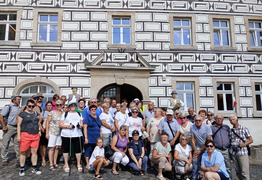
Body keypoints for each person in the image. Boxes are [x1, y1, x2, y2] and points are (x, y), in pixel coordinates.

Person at [17, 99, 43, 176]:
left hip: (35, 135)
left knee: (34, 152)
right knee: (23, 152)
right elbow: (18, 125)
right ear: (26, 106)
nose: (31, 107)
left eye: (32, 106)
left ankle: (34, 167)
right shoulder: (22, 114)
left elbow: (38, 122)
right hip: (25, 135)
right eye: (29, 106)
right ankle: (22, 168)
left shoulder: (36, 113)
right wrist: (18, 135)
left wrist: (39, 130)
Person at [59, 101, 83, 172]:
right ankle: (66, 163)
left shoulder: (79, 113)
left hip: (77, 134)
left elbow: (82, 124)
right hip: (66, 134)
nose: (73, 106)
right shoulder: (65, 114)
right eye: (71, 105)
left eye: (74, 105)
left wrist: (80, 126)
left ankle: (78, 164)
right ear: (69, 106)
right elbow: (61, 125)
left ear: (76, 106)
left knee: (78, 149)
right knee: (66, 149)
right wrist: (68, 126)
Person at [229, 115, 253, 180]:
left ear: (237, 120)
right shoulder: (230, 131)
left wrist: (244, 144)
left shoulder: (244, 129)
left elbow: (251, 140)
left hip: (242, 153)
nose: (232, 121)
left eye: (233, 119)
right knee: (237, 172)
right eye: (230, 120)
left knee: (244, 172)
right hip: (234, 153)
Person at [0, 95, 21, 166]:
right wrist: (4, 126)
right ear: (13, 100)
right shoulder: (8, 107)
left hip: (17, 128)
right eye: (18, 99)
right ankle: (4, 159)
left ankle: (19, 158)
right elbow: (1, 116)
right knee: (5, 144)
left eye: (20, 99)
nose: (19, 100)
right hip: (9, 127)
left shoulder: (19, 108)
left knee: (17, 144)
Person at [190, 116, 212, 180]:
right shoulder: (192, 127)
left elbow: (208, 140)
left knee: (206, 162)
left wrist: (201, 150)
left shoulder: (207, 127)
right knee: (195, 160)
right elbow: (192, 140)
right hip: (198, 146)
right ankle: (194, 177)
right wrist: (195, 150)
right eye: (196, 120)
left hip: (208, 147)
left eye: (199, 120)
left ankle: (205, 177)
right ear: (194, 121)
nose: (198, 122)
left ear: (202, 121)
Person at [46, 100, 63, 171]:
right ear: (55, 106)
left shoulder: (64, 113)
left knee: (57, 148)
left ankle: (55, 162)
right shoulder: (52, 112)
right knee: (51, 148)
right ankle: (51, 164)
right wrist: (47, 132)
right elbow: (47, 122)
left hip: (60, 133)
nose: (59, 106)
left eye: (60, 105)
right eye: (57, 105)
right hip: (52, 132)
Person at [83, 104, 102, 170]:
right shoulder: (87, 117)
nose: (93, 110)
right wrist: (86, 138)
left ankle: (95, 164)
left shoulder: (97, 117)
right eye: (92, 109)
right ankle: (87, 164)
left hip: (97, 137)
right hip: (90, 137)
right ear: (90, 110)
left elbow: (100, 128)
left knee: (96, 151)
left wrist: (101, 137)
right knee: (88, 150)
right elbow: (85, 127)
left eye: (95, 109)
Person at [40, 101, 53, 167]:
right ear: (46, 106)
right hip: (44, 131)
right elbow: (39, 122)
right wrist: (41, 128)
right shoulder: (43, 113)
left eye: (50, 105)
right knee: (44, 146)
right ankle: (43, 159)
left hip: (52, 131)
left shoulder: (54, 113)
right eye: (48, 105)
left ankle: (52, 159)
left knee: (52, 146)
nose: (49, 106)